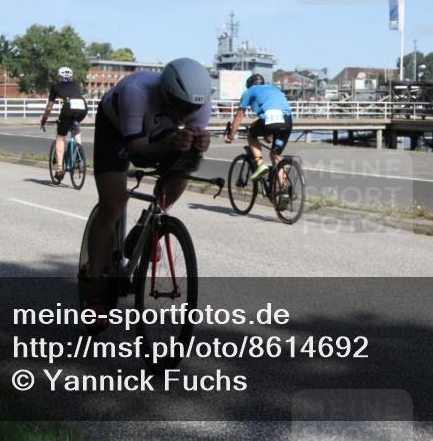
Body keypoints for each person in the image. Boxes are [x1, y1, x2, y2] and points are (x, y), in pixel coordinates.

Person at [83, 57, 212, 329]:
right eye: (181, 107)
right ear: (166, 93)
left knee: (189, 160)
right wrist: (173, 143)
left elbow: (187, 152)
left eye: (192, 109)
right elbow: (137, 152)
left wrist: (197, 146)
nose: (186, 114)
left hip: (157, 130)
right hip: (116, 131)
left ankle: (147, 225)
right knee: (112, 206)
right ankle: (94, 291)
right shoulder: (135, 92)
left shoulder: (199, 104)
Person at [224, 73, 294, 180]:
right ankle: (284, 191)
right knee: (276, 155)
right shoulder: (273, 88)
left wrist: (231, 136)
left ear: (249, 85)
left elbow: (239, 116)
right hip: (287, 122)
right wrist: (268, 136)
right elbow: (272, 129)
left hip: (271, 120)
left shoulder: (250, 91)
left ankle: (260, 164)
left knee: (251, 135)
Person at [40, 66, 88, 182]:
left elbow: (49, 107)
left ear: (60, 77)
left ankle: (60, 169)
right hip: (83, 107)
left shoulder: (56, 87)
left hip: (68, 109)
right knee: (75, 125)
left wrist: (44, 119)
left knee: (60, 138)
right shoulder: (76, 85)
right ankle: (79, 150)